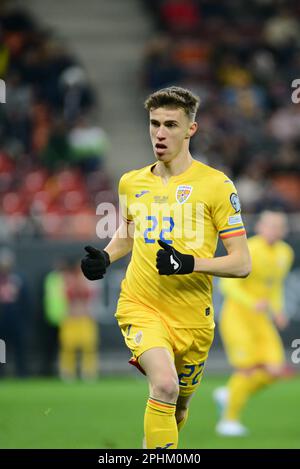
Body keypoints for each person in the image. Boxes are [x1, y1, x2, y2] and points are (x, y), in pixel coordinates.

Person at [81, 86, 251, 449]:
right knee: (165, 385)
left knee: (177, 404)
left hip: (193, 317)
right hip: (141, 306)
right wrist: (106, 257)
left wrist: (190, 263)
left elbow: (241, 262)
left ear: (191, 129)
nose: (160, 133)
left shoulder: (216, 185)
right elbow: (126, 235)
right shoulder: (132, 181)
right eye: (154, 123)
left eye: (171, 124)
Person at [214, 210, 294, 436]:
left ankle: (230, 393)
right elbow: (227, 285)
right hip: (238, 316)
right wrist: (251, 302)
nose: (274, 230)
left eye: (279, 226)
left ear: (284, 230)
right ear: (260, 227)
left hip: (261, 319)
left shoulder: (284, 253)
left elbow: (274, 285)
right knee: (247, 369)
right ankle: (228, 421)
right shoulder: (249, 249)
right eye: (270, 225)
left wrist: (278, 310)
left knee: (275, 370)